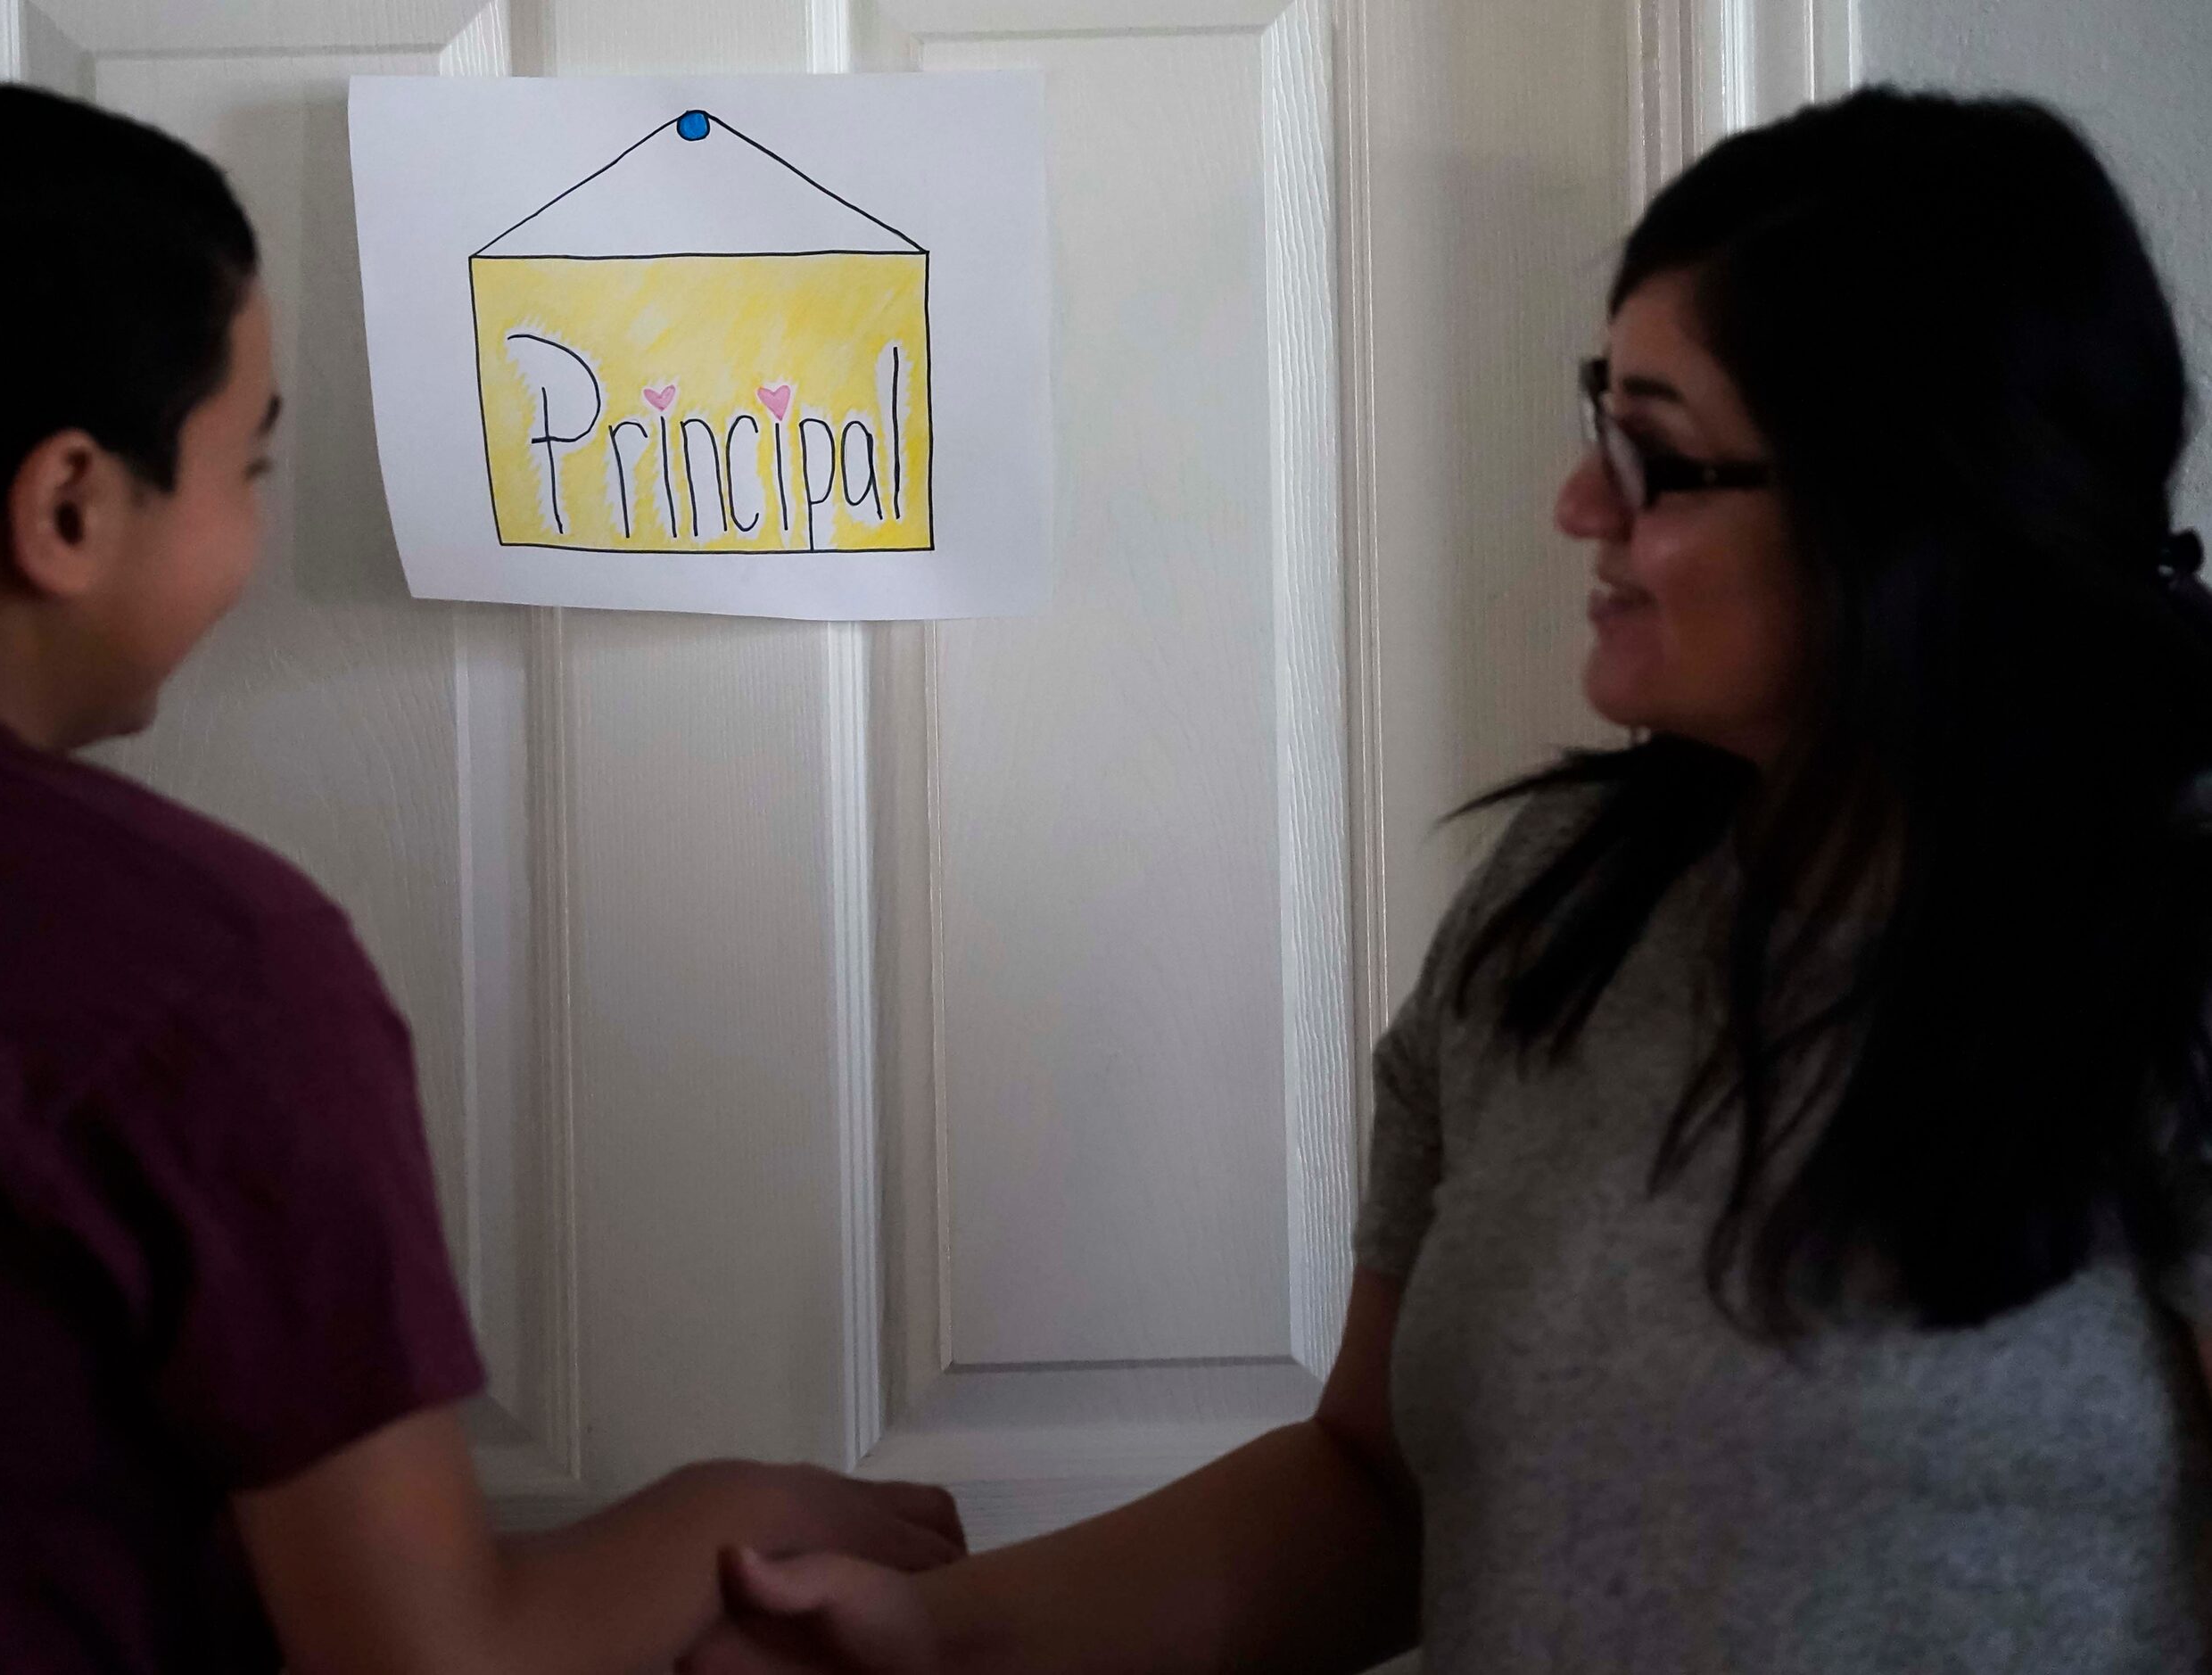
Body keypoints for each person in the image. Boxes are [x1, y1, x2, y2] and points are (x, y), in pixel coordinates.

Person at [681, 86, 2212, 1675]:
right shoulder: (1563, 903)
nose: (1577, 505)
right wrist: (929, 1633)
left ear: (1915, 499)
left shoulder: (2169, 933)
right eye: (1595, 419)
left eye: (1660, 456)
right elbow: (1378, 1495)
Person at [0, 77, 961, 1674]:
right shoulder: (195, 967)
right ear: (70, 504)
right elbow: (430, 1659)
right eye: (254, 467)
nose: (255, 532)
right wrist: (744, 1505)